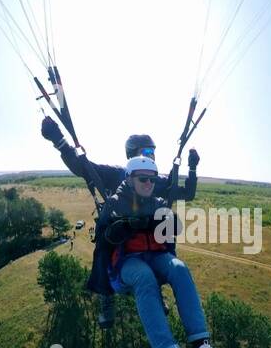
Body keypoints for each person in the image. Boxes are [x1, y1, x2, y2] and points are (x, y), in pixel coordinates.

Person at [93, 155, 240, 348]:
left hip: (156, 255)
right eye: (143, 179)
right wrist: (122, 226)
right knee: (144, 277)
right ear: (129, 180)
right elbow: (103, 238)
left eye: (152, 179)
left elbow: (174, 230)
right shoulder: (116, 203)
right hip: (128, 263)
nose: (149, 184)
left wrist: (170, 221)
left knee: (180, 268)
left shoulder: (159, 202)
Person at [41, 116, 198, 328]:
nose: (152, 156)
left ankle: (157, 293)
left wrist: (192, 169)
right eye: (148, 152)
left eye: (153, 152)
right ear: (134, 154)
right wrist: (59, 141)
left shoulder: (153, 180)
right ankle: (106, 296)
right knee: (103, 247)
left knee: (162, 251)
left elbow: (186, 193)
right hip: (119, 232)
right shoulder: (116, 174)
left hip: (147, 235)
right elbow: (83, 168)